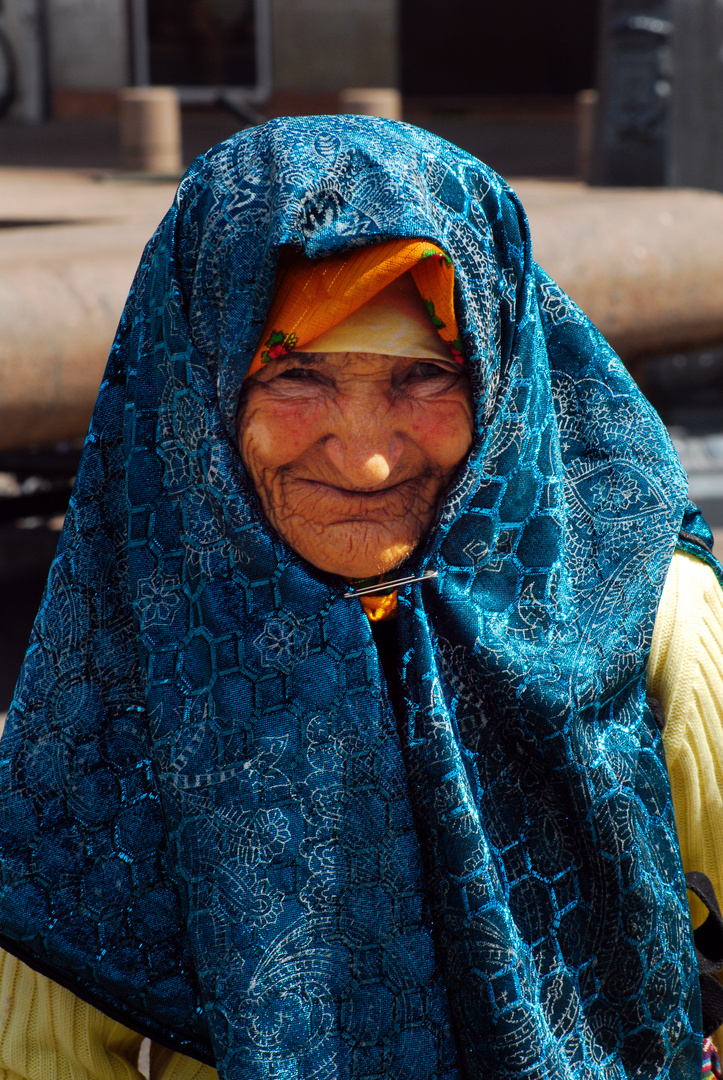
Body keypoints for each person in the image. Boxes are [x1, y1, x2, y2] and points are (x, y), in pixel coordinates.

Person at [0, 114, 721, 1080]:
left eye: (425, 376)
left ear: (500, 379)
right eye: (295, 374)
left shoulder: (643, 618)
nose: (368, 454)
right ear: (199, 388)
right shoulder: (115, 677)